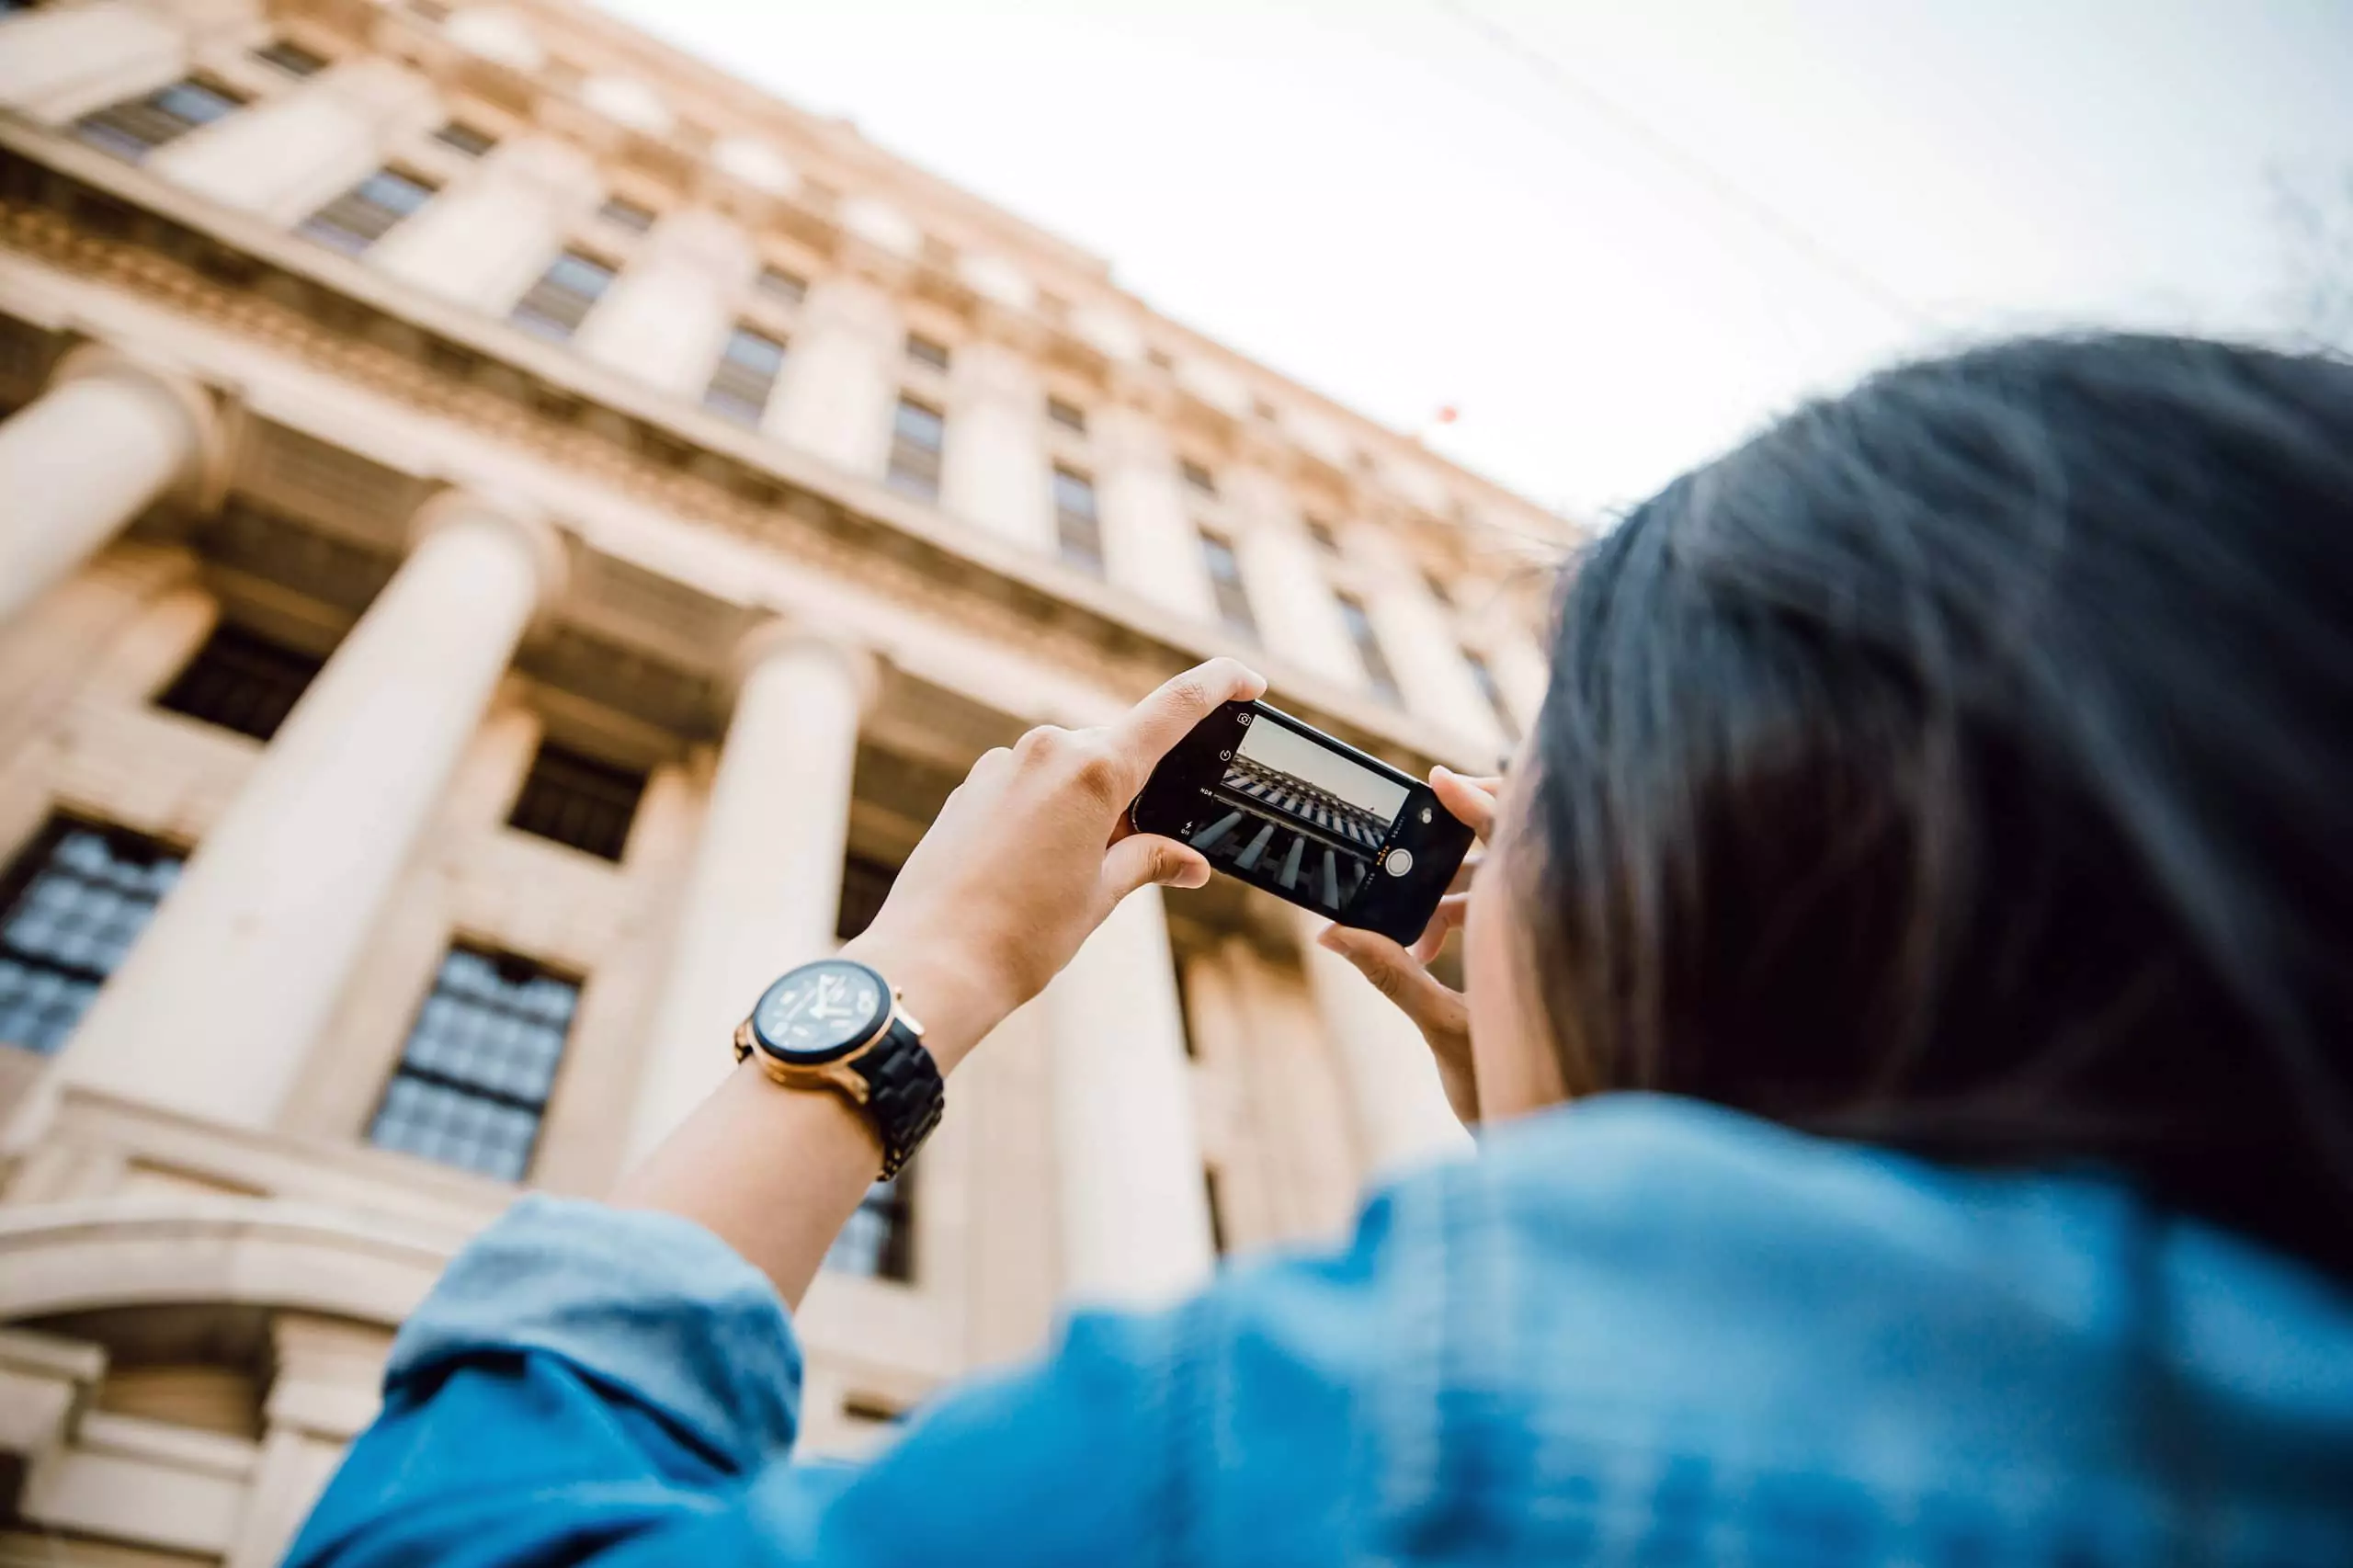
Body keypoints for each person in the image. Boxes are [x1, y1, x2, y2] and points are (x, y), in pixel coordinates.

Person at [289, 335, 2353, 1565]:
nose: (1473, 822)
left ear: (1723, 863)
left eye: (1529, 771)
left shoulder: (1446, 1397)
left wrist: (886, 1008)